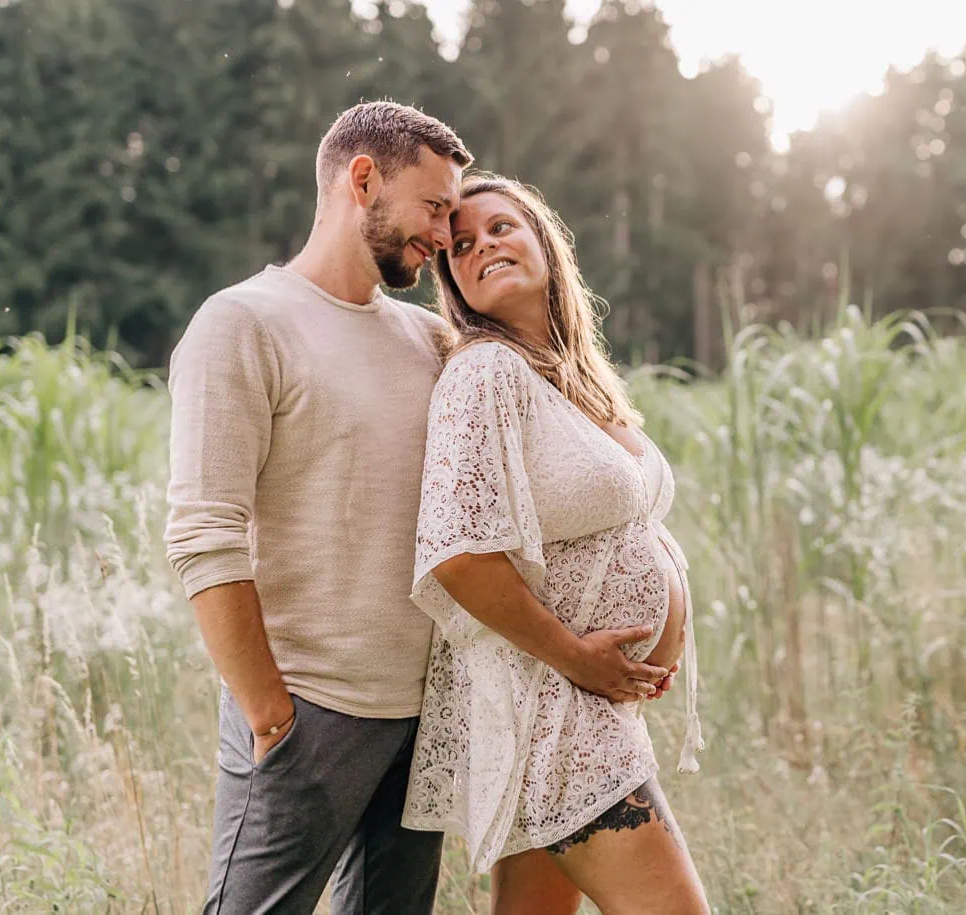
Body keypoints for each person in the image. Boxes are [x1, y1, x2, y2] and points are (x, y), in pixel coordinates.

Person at [163, 102, 672, 914]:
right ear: (362, 180)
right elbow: (203, 536)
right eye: (436, 209)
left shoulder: (428, 340)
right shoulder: (242, 324)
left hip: (425, 718)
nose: (443, 236)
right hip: (312, 710)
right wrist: (269, 712)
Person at [403, 172, 709, 915]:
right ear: (456, 285)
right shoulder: (482, 374)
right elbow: (456, 552)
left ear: (543, 239)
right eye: (463, 247)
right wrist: (581, 659)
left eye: (502, 227)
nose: (484, 247)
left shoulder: (578, 377)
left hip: (587, 707)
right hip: (554, 711)